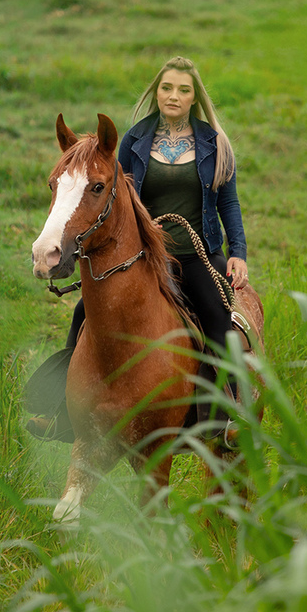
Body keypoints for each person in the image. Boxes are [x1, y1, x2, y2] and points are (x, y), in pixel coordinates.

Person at [64, 57, 248, 387]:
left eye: (183, 89)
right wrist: (143, 223)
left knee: (217, 319)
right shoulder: (135, 140)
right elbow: (118, 198)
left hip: (197, 255)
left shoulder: (214, 142)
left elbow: (229, 203)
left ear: (195, 97)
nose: (173, 95)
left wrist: (238, 252)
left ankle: (235, 408)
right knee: (82, 312)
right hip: (147, 255)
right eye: (166, 88)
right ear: (157, 93)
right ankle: (60, 405)